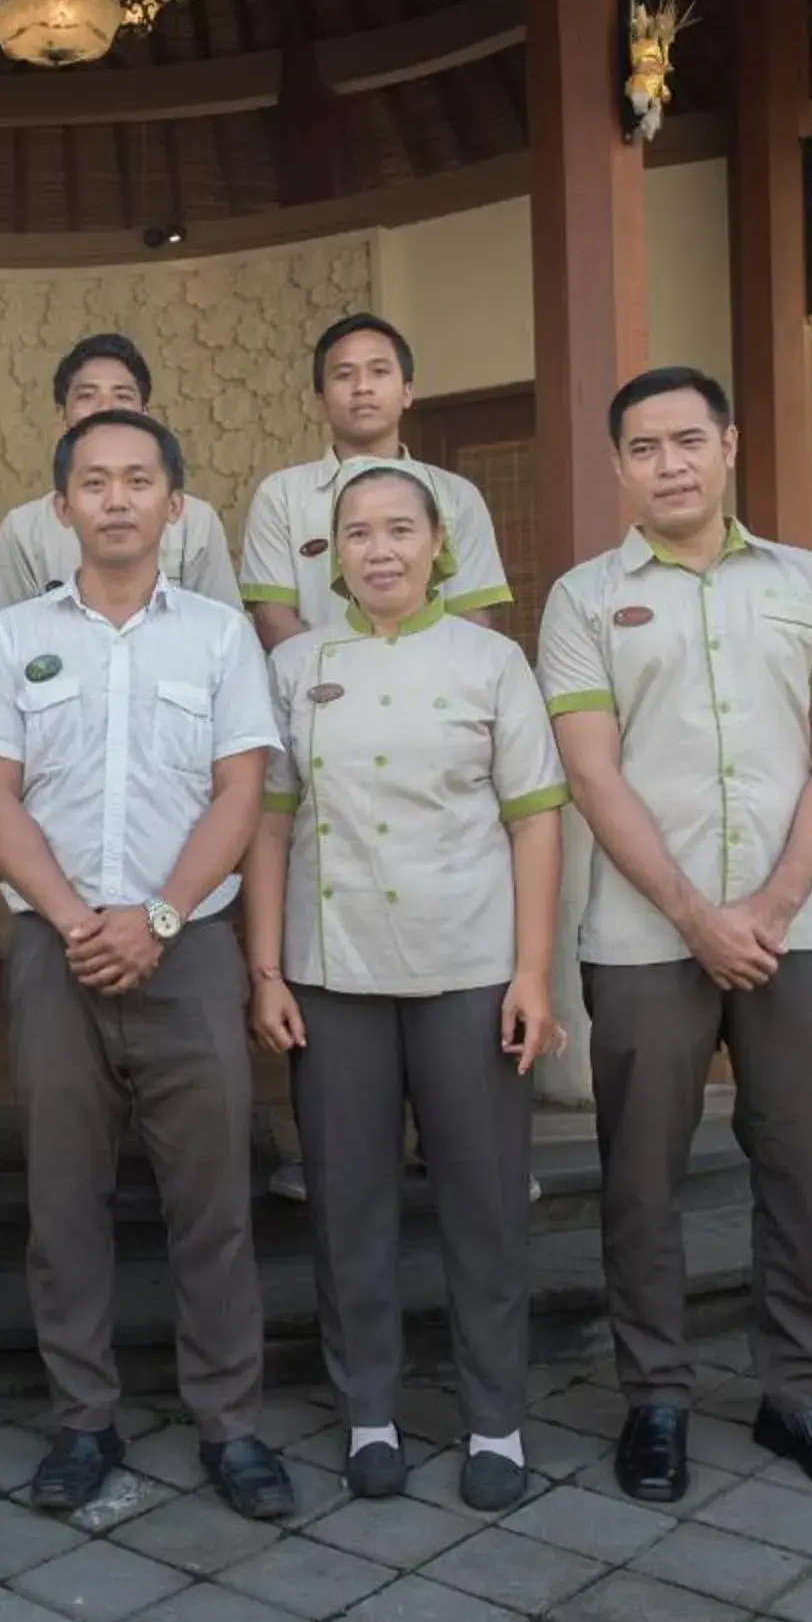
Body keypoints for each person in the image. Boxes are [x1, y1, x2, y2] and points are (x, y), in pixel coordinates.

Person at [539, 367, 812, 1509]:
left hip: (803, 928)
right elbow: (592, 773)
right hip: (647, 935)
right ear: (619, 467)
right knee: (640, 1176)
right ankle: (656, 1398)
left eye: (688, 440)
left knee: (800, 1169)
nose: (669, 463)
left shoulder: (809, 582)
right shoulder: (583, 599)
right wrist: (698, 915)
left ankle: (799, 1396)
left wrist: (779, 905)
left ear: (729, 445)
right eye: (643, 448)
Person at [0, 410, 297, 1522]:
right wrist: (70, 917)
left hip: (189, 946)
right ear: (59, 507)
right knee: (63, 1199)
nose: (115, 498)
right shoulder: (12, 639)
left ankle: (231, 1424)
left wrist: (156, 915)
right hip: (58, 954)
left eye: (138, 480)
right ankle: (83, 1420)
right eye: (93, 482)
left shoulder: (216, 635)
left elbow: (240, 791)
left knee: (215, 1200)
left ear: (177, 506)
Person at [243, 459, 568, 1513]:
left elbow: (534, 818)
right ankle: (370, 1411)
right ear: (332, 556)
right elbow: (270, 821)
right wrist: (266, 967)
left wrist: (531, 973)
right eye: (356, 534)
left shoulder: (493, 662)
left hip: (470, 969)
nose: (379, 550)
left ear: (439, 546)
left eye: (398, 530)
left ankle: (495, 1419)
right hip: (333, 971)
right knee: (349, 1203)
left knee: (484, 1206)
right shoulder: (296, 666)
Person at [239, 313, 516, 651]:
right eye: (344, 375)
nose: (362, 387)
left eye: (379, 371)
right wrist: (336, 681)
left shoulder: (457, 496)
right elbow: (273, 618)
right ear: (320, 401)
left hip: (436, 693)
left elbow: (473, 616)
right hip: (320, 694)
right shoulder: (280, 495)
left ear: (408, 392)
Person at [0, 333, 239, 618]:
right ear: (62, 415)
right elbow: (4, 636)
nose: (105, 408)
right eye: (87, 395)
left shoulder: (197, 521)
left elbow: (224, 628)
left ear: (144, 413)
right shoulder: (23, 529)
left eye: (122, 395)